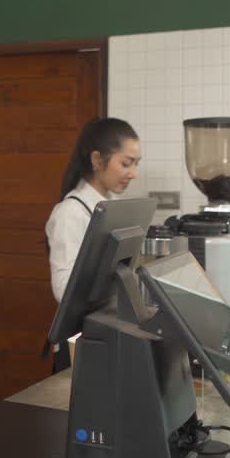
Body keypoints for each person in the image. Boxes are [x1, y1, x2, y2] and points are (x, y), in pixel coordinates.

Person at [44, 118, 141, 370]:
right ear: (97, 160)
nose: (133, 173)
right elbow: (63, 289)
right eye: (126, 163)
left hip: (105, 335)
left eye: (136, 164)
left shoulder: (109, 206)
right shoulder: (70, 213)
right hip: (79, 345)